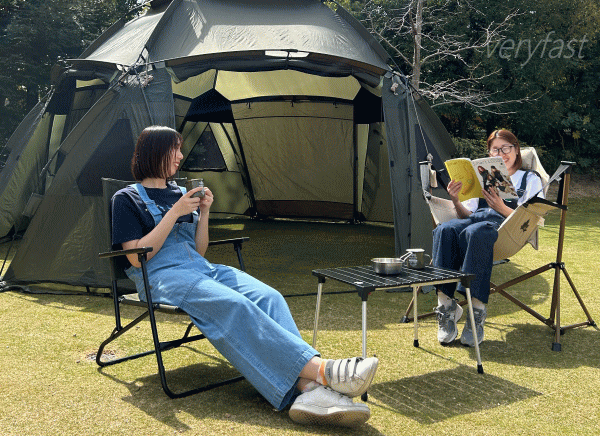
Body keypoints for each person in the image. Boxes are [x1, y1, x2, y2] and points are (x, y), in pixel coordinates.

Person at [111, 126, 378, 428]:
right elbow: (136, 256)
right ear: (155, 152)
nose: (180, 156)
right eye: (175, 149)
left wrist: (204, 213)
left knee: (269, 297)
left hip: (199, 268)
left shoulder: (178, 192)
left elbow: (198, 251)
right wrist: (174, 212)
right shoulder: (126, 199)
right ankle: (325, 372)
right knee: (235, 305)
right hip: (160, 277)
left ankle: (308, 390)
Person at [432, 129, 544, 347]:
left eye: (506, 148)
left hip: (505, 230)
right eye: (495, 150)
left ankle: (476, 313)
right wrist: (455, 200)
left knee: (477, 232)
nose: (501, 154)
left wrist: (501, 207)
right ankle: (446, 307)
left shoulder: (529, 179)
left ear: (516, 149)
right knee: (445, 230)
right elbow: (467, 215)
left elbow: (531, 219)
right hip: (475, 221)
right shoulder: (483, 177)